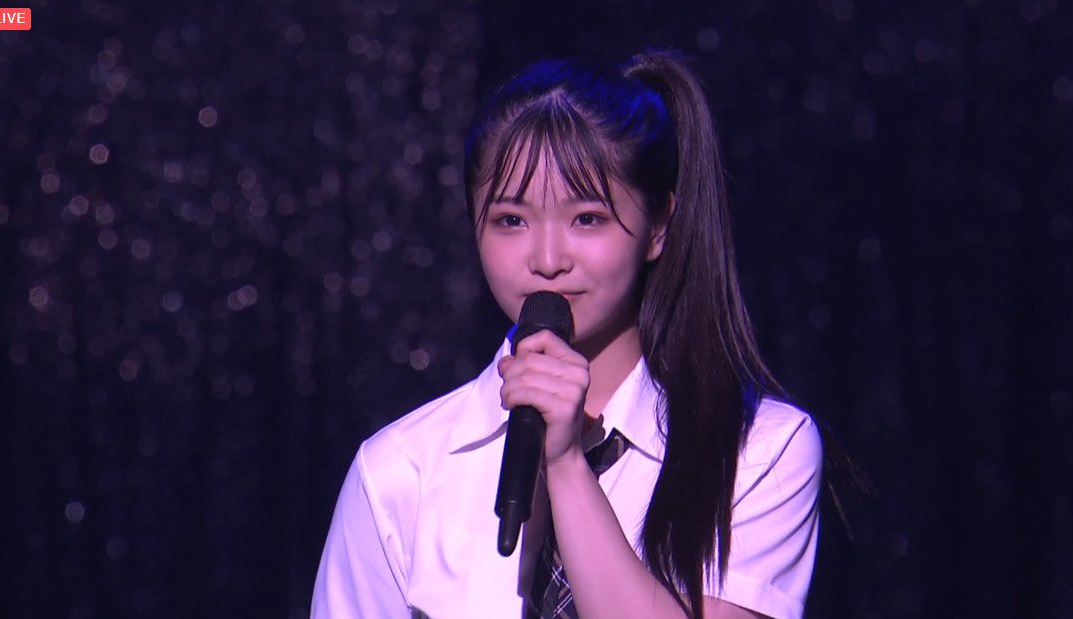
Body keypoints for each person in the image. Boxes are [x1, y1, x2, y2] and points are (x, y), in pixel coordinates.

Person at [312, 50, 822, 619]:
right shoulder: (399, 471)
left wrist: (566, 464)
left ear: (657, 226)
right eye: (511, 220)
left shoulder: (759, 452)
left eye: (587, 219)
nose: (548, 259)